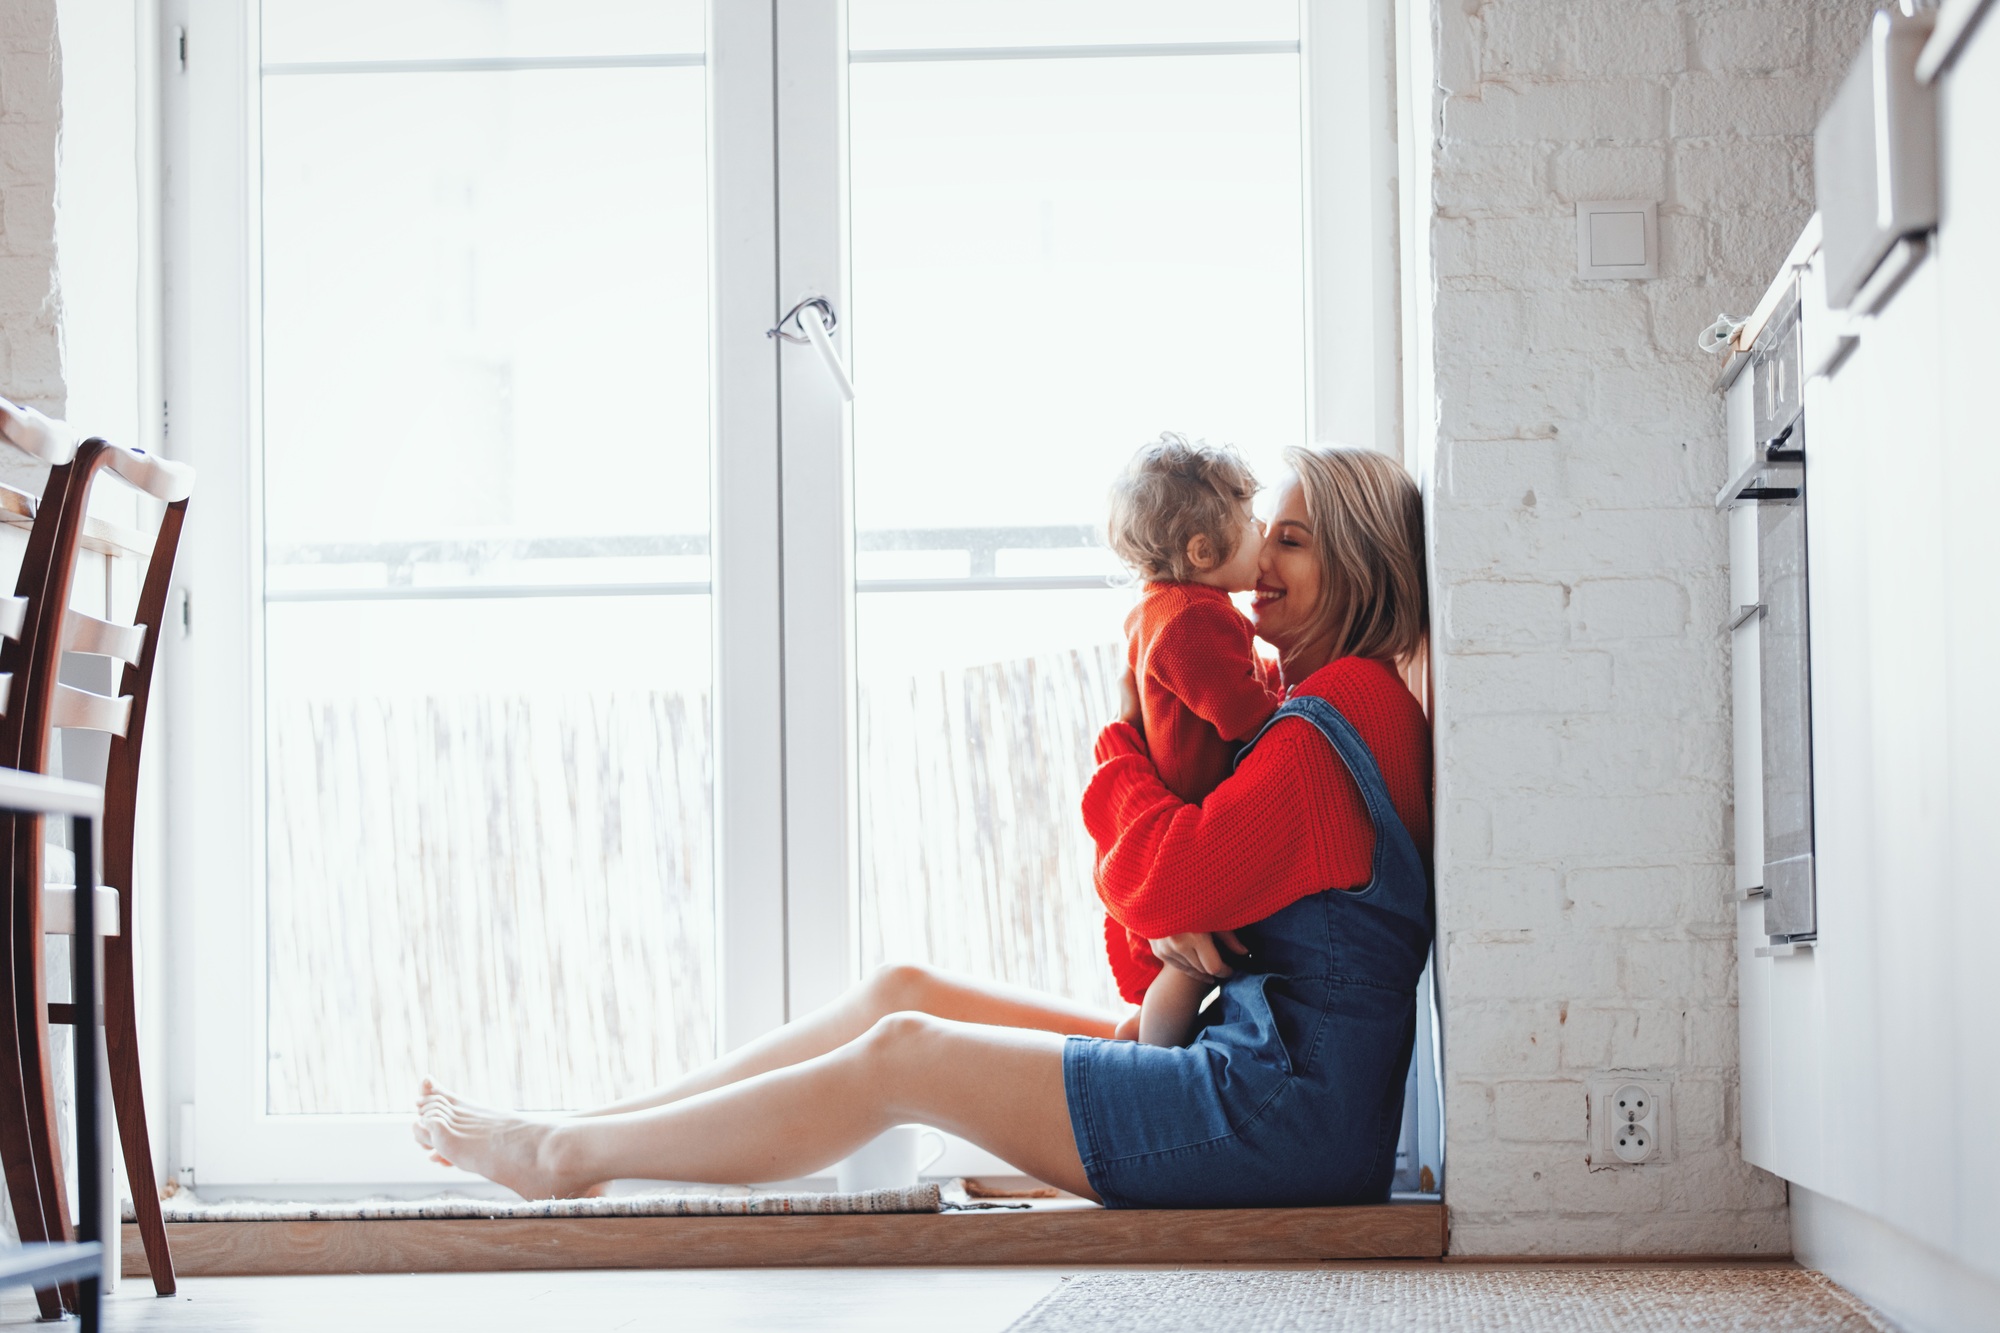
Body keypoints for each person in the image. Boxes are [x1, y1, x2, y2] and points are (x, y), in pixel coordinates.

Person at [413, 443, 1432, 1210]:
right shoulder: (1331, 705)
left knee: (903, 1052)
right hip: (1261, 1068)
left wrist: (1121, 737)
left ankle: (563, 1158)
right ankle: (582, 1126)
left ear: (1359, 562)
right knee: (902, 990)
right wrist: (1168, 904)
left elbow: (1156, 887)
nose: (1258, 562)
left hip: (1274, 1112)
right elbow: (1151, 939)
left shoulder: (1328, 722)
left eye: (1291, 541)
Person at [1101, 433, 1282, 1048]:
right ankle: (1155, 1063)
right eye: (1253, 521)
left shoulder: (1157, 609)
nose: (1262, 533)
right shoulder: (1195, 620)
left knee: (1190, 970)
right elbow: (1245, 717)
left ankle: (1133, 1034)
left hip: (1179, 803)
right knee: (1189, 970)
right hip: (1190, 824)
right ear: (1204, 551)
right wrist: (1296, 707)